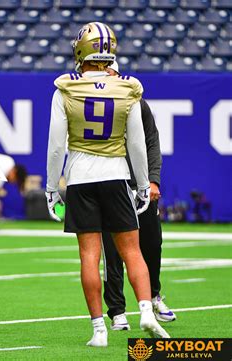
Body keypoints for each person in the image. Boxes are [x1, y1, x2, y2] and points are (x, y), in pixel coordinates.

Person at [45, 22, 170, 347]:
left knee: (90, 255)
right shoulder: (127, 88)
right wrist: (144, 184)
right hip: (116, 175)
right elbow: (138, 145)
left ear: (80, 49)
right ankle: (145, 310)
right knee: (132, 251)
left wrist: (50, 186)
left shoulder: (65, 88)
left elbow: (57, 145)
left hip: (81, 178)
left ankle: (100, 329)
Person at [102, 62, 176, 332]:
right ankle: (117, 311)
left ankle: (154, 295)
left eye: (107, 72)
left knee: (152, 244)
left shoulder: (136, 102)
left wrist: (153, 179)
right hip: (110, 182)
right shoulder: (90, 102)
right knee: (112, 252)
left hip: (140, 183)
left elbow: (152, 142)